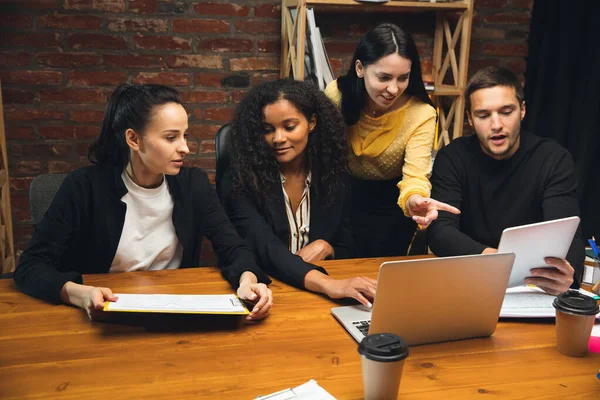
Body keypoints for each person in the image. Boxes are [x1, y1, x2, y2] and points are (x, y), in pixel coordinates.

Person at [14, 84, 273, 320]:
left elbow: (233, 248)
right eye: (171, 138)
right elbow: (31, 266)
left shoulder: (194, 185)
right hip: (104, 315)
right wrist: (80, 294)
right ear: (134, 139)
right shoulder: (84, 187)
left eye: (185, 135)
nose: (185, 147)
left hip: (174, 311)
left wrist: (247, 280)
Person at [427, 66, 584, 294]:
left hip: (532, 286)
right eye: (483, 115)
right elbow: (439, 231)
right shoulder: (453, 158)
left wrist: (567, 272)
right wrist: (497, 259)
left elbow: (569, 234)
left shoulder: (553, 159)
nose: (496, 125)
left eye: (506, 111)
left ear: (522, 110)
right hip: (468, 281)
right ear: (470, 119)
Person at [223, 79, 376, 308]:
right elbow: (265, 249)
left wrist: (328, 247)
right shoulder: (241, 178)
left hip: (315, 297)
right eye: (268, 130)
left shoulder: (333, 175)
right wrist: (329, 285)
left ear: (312, 123)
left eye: (289, 126)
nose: (278, 138)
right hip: (265, 292)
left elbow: (347, 246)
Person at [324, 23, 459, 257]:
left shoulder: (421, 114)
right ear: (359, 68)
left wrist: (415, 199)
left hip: (390, 210)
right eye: (384, 77)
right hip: (336, 198)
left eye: (403, 78)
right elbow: (318, 155)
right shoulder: (336, 94)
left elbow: (415, 176)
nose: (393, 89)